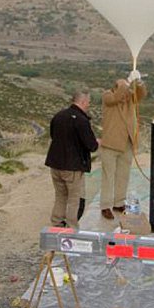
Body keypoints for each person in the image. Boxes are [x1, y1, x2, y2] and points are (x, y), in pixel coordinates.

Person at [45, 91, 100, 228]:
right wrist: (98, 142)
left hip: (55, 164)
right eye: (88, 102)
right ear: (82, 102)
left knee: (60, 196)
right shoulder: (81, 120)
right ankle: (71, 227)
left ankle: (56, 223)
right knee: (73, 199)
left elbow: (53, 135)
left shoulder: (58, 116)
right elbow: (91, 145)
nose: (88, 105)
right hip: (73, 166)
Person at [99, 70, 148, 219]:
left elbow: (141, 94)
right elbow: (116, 98)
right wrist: (126, 82)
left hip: (126, 143)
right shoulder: (108, 96)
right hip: (111, 143)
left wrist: (139, 83)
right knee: (108, 176)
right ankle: (105, 205)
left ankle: (119, 202)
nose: (126, 93)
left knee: (123, 175)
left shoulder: (130, 98)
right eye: (124, 88)